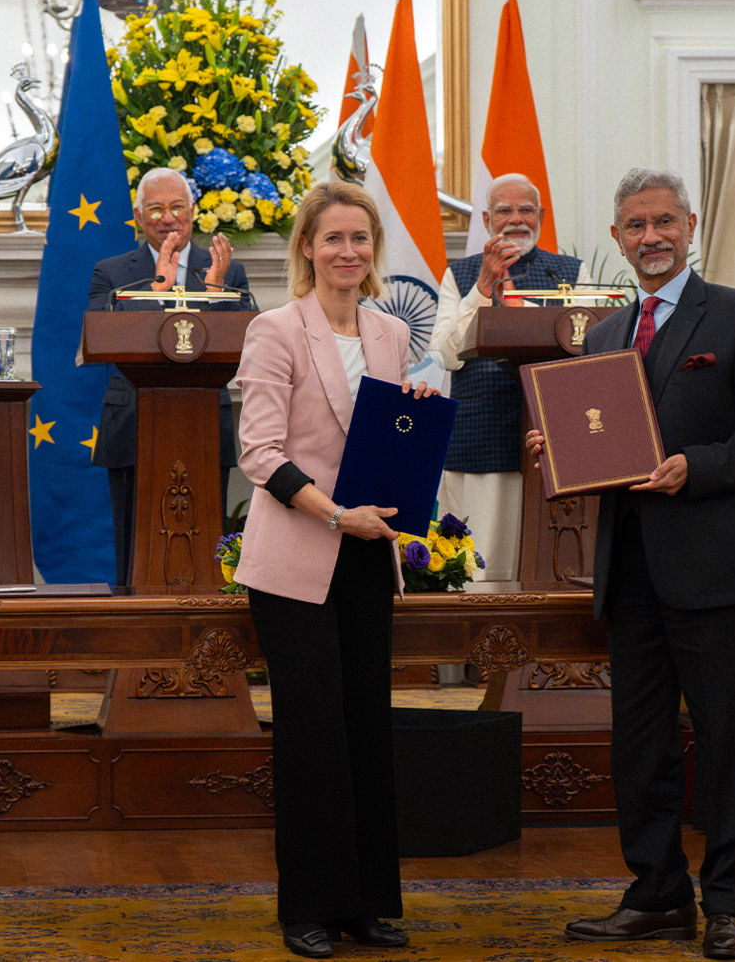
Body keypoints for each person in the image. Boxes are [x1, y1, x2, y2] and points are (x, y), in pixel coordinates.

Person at [527, 168, 735, 960]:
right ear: (616, 239)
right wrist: (559, 448)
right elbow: (601, 443)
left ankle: (726, 906)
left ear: (690, 225)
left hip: (714, 569)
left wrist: (697, 466)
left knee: (722, 740)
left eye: (663, 222)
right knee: (637, 745)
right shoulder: (607, 334)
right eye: (634, 226)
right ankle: (655, 896)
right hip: (631, 572)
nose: (650, 237)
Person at [232, 180, 437, 958]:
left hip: (366, 556)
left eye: (360, 240)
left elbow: (384, 435)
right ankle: (308, 910)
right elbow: (260, 452)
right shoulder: (274, 329)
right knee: (313, 734)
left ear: (372, 251)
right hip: (295, 560)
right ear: (307, 249)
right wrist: (332, 514)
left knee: (365, 729)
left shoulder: (389, 334)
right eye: (333, 240)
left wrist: (413, 407)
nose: (347, 252)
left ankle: (370, 906)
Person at [86, 167, 251, 585]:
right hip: (132, 424)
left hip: (205, 425)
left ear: (192, 212)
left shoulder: (226, 270)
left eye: (177, 206)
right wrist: (158, 288)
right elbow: (99, 332)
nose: (167, 217)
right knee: (133, 544)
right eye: (155, 209)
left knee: (209, 542)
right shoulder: (112, 271)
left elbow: (250, 342)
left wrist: (214, 293)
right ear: (139, 217)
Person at [429, 173, 590, 581]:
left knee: (545, 566)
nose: (516, 219)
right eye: (504, 210)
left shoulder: (570, 272)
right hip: (478, 437)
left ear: (540, 215)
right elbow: (445, 354)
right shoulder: (460, 274)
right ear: (486, 219)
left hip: (550, 437)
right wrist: (483, 288)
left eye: (525, 210)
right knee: (479, 567)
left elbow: (592, 352)